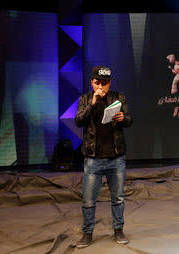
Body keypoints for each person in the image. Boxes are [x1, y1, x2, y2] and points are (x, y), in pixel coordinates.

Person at [74, 65, 133, 248]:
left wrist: (123, 118)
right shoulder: (85, 98)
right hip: (93, 158)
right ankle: (87, 233)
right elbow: (78, 121)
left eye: (105, 83)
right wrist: (92, 103)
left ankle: (118, 229)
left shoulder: (118, 97)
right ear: (92, 82)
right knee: (89, 200)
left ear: (110, 83)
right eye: (97, 83)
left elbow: (129, 119)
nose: (101, 87)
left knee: (118, 198)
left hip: (116, 156)